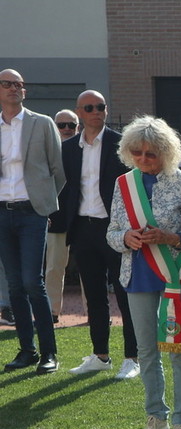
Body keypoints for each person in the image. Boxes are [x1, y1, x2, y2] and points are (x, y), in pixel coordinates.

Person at [107, 116, 181, 429]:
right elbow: (112, 233)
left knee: (179, 350)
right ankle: (156, 419)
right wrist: (126, 238)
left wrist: (170, 238)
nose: (143, 159)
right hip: (138, 274)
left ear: (165, 152)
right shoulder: (124, 183)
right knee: (147, 351)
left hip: (177, 274)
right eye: (137, 152)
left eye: (150, 153)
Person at [61, 90, 139, 379]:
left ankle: (132, 357)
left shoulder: (122, 143)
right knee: (94, 295)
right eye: (90, 108)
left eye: (101, 106)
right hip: (83, 228)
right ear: (79, 113)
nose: (96, 112)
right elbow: (67, 187)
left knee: (125, 292)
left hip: (116, 229)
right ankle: (100, 355)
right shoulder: (69, 148)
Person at [0, 68, 64, 374]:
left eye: (19, 84)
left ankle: (49, 353)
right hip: (2, 212)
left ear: (24, 91)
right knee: (14, 285)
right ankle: (27, 350)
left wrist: (44, 207)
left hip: (32, 213)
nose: (14, 88)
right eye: (7, 83)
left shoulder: (42, 123)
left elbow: (58, 171)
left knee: (32, 282)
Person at [45, 108, 79, 322]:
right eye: (61, 125)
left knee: (91, 268)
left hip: (83, 216)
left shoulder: (85, 149)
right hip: (56, 216)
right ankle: (52, 311)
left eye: (71, 125)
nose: (67, 128)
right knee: (54, 267)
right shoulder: (48, 150)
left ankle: (95, 311)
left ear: (78, 127)